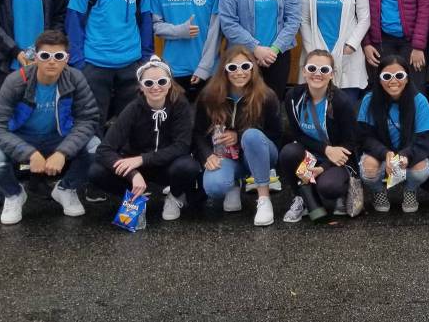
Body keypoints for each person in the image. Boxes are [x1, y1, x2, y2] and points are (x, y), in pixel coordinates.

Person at [0, 30, 99, 225]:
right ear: (36, 57)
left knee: (96, 148)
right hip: (22, 138)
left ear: (66, 59)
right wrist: (28, 153)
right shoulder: (16, 81)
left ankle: (65, 189)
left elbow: (88, 119)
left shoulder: (76, 78)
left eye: (58, 56)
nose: (52, 61)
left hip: (58, 137)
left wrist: (62, 152)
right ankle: (14, 194)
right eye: (45, 56)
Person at [88, 56, 201, 222]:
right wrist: (133, 174)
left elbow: (182, 146)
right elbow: (104, 150)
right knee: (96, 171)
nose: (156, 87)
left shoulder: (180, 105)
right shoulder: (133, 108)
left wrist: (142, 159)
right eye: (149, 83)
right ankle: (136, 197)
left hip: (166, 165)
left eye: (162, 81)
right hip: (137, 167)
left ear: (170, 83)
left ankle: (175, 196)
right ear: (141, 86)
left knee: (188, 166)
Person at [66, 0, 154, 124]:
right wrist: (79, 62)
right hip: (94, 63)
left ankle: (124, 155)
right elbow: (74, 23)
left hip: (131, 63)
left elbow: (146, 22)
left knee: (129, 123)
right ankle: (95, 155)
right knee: (91, 121)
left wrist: (145, 59)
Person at [194, 46, 282, 226]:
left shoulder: (266, 95)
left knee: (251, 136)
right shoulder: (209, 95)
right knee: (214, 187)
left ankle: (264, 199)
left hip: (259, 155)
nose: (239, 72)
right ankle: (234, 183)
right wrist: (206, 155)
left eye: (245, 67)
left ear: (253, 68)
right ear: (224, 70)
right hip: (225, 155)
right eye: (232, 68)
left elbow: (276, 135)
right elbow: (198, 132)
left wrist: (238, 135)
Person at [279, 50, 360, 222]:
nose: (317, 73)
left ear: (331, 74)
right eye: (312, 68)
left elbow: (351, 142)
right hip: (311, 155)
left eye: (324, 70)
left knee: (329, 187)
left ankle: (341, 193)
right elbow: (297, 134)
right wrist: (325, 149)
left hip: (338, 159)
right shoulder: (293, 97)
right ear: (304, 71)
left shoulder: (341, 101)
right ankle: (301, 197)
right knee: (288, 152)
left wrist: (324, 165)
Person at [299, 0, 370, 105]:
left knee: (345, 110)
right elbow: (303, 20)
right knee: (317, 107)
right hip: (317, 52)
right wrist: (313, 51)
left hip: (348, 55)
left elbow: (364, 18)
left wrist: (350, 45)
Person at [357, 55, 429, 213]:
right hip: (382, 155)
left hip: (408, 155)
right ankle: (378, 191)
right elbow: (364, 137)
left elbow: (425, 139)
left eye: (399, 76)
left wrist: (406, 155)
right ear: (379, 79)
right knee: (368, 169)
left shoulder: (419, 100)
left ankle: (410, 190)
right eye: (386, 76)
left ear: (407, 78)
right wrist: (384, 153)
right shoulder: (369, 99)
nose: (393, 81)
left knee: (421, 171)